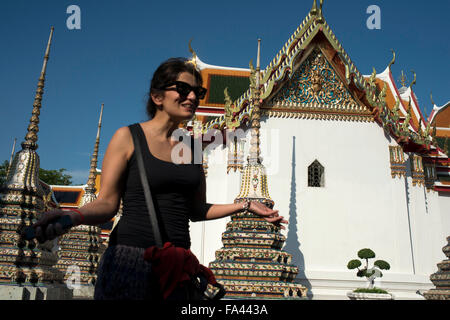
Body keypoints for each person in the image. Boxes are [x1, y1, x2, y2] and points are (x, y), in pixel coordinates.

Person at [31, 57, 287, 300]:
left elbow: (197, 210)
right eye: (183, 89)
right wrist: (71, 217)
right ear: (157, 96)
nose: (192, 97)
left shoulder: (195, 150)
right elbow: (107, 203)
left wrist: (246, 205)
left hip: (177, 265)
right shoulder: (128, 137)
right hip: (130, 260)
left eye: (198, 92)